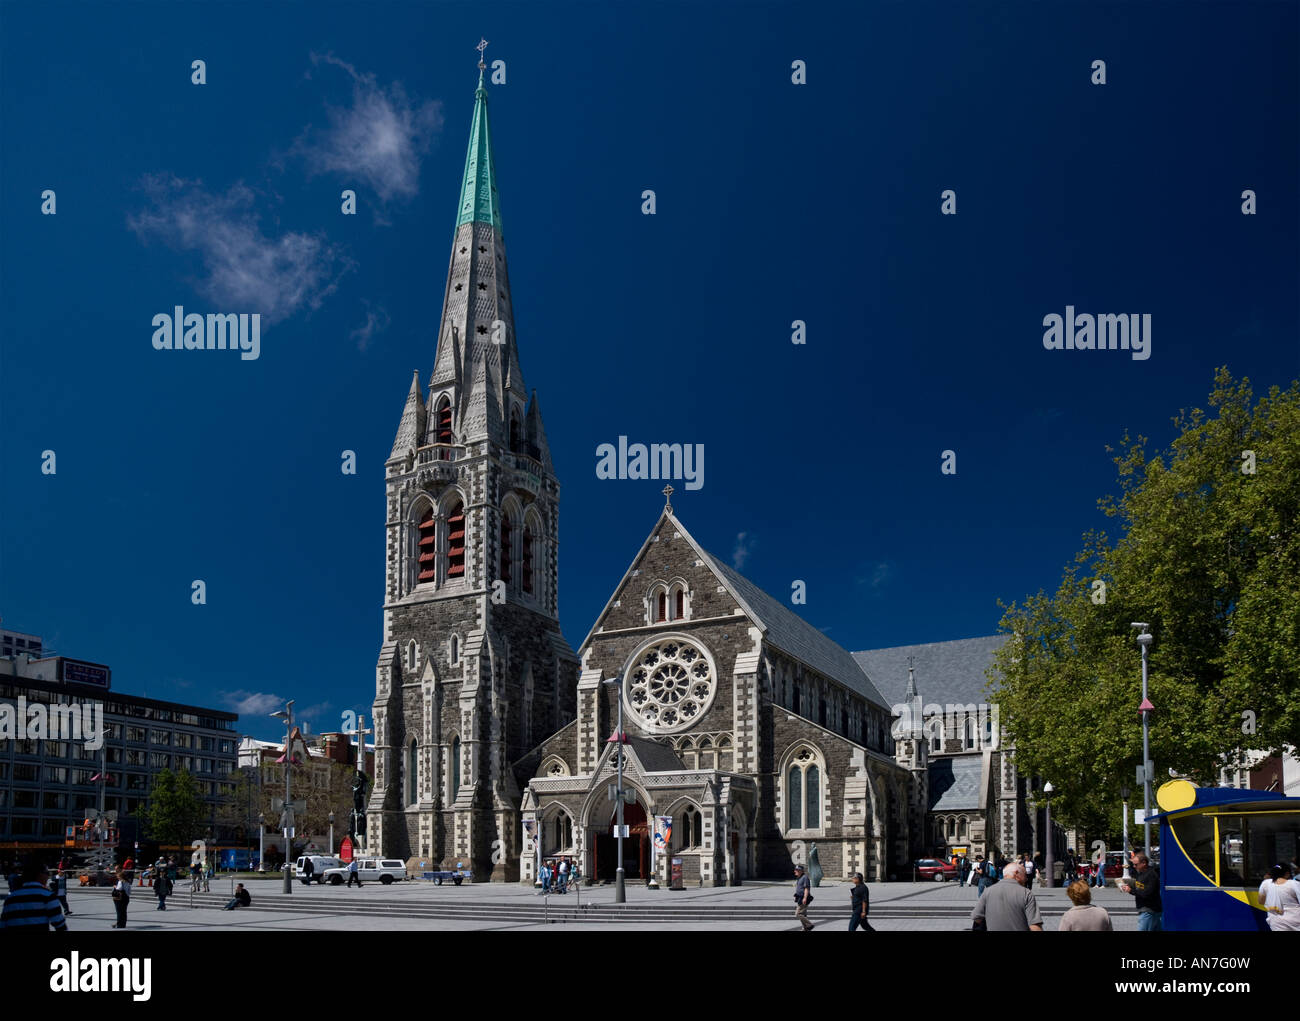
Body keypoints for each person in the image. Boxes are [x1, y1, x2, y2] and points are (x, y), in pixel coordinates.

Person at [971, 861, 1042, 931]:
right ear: (1016, 873)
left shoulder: (988, 891)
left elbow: (976, 917)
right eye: (1025, 875)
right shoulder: (1026, 893)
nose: (1026, 878)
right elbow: (1035, 926)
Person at [0, 862, 68, 931]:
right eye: (47, 873)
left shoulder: (10, 898)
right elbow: (60, 926)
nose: (48, 877)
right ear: (40, 875)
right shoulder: (48, 896)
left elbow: (3, 925)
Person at [1118, 853, 1162, 931]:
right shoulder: (1140, 873)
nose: (1134, 866)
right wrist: (1129, 886)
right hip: (1147, 909)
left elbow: (1147, 893)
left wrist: (1131, 890)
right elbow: (1139, 887)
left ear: (1144, 863)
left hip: (1149, 910)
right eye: (1133, 864)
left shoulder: (1151, 874)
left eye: (1136, 864)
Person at [1260, 865, 1300, 931]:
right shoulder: (1294, 884)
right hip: (1295, 919)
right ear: (1287, 874)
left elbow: (1261, 901)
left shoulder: (1266, 883)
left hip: (1276, 920)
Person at [793, 863, 814, 931]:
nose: (795, 871)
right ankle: (805, 928)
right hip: (800, 898)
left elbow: (806, 888)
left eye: (797, 870)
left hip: (803, 898)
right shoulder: (799, 878)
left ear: (801, 871)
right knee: (803, 914)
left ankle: (809, 925)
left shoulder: (805, 877)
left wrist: (805, 897)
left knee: (798, 913)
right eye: (795, 870)